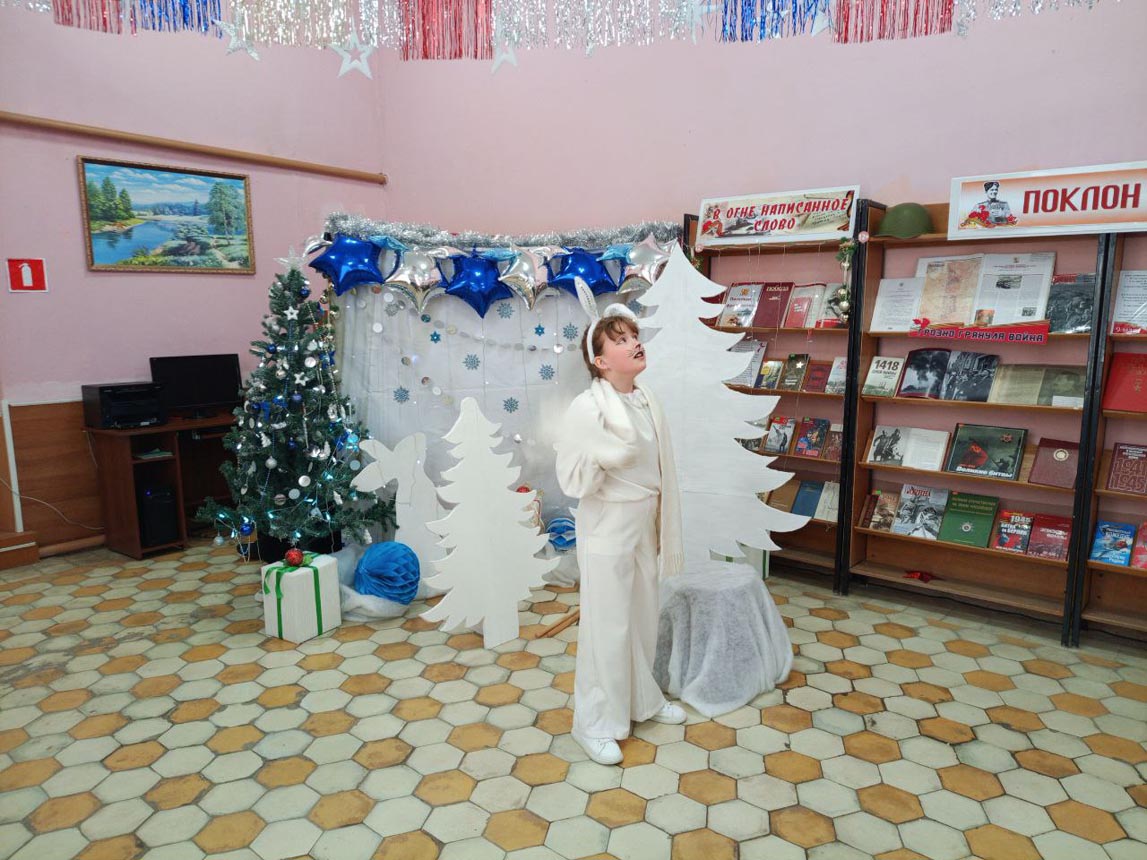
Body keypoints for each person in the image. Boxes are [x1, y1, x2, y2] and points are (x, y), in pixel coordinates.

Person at [553, 305, 687, 765]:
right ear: (600, 360)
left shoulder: (647, 399)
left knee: (642, 616)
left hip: (645, 520)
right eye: (621, 339)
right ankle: (594, 723)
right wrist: (606, 457)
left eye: (634, 334)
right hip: (608, 524)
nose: (635, 343)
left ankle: (640, 700)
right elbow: (572, 477)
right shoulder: (587, 407)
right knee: (607, 625)